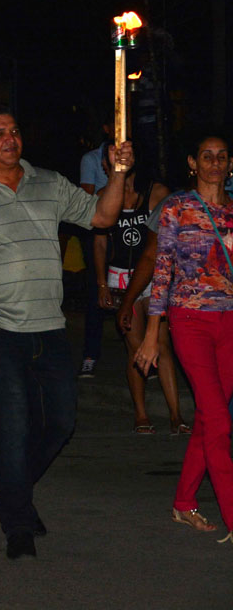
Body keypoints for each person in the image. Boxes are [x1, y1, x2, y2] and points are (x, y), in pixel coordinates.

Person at [0, 104, 132, 559]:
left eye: (14, 131)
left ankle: (11, 485)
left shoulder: (50, 183)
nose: (9, 139)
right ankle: (17, 522)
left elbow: (101, 218)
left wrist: (117, 174)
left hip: (49, 325)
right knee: (12, 426)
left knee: (61, 421)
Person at [134, 133, 233, 542]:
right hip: (189, 319)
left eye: (221, 157)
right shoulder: (176, 206)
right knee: (221, 423)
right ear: (193, 162)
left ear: (230, 164)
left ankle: (183, 502)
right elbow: (162, 271)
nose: (214, 163)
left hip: (229, 321)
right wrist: (152, 334)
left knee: (211, 419)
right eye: (206, 156)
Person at [94, 164, 185, 434]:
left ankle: (176, 415)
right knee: (134, 347)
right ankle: (141, 414)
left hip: (152, 274)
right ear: (105, 164)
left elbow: (164, 241)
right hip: (120, 276)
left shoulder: (155, 192)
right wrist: (101, 283)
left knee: (162, 343)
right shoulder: (104, 195)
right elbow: (99, 243)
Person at [78, 124, 114, 377]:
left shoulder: (134, 156)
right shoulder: (91, 159)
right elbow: (86, 199)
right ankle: (90, 355)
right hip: (100, 230)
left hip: (127, 232)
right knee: (96, 292)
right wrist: (115, 181)